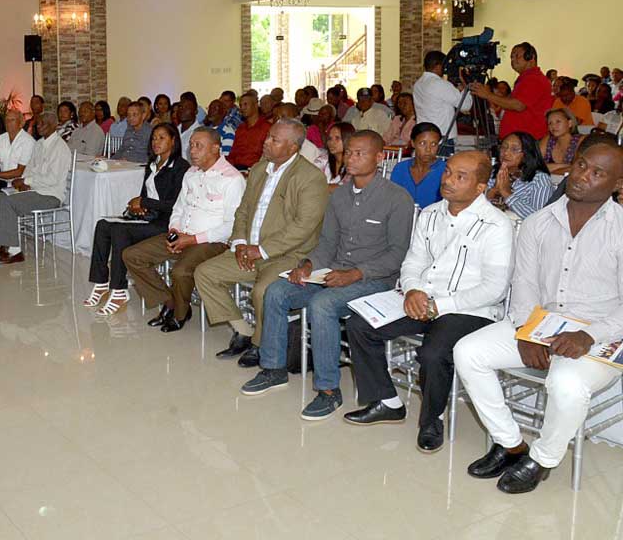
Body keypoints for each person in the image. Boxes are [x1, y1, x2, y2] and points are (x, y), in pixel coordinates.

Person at [454, 142, 623, 494]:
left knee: (567, 384)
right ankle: (510, 443)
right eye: (581, 165)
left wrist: (588, 336)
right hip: (542, 323)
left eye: (597, 173)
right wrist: (526, 331)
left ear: (617, 184)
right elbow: (525, 284)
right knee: (468, 352)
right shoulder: (538, 222)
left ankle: (542, 459)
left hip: (601, 332)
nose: (582, 176)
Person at [344, 151, 512, 452]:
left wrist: (438, 307)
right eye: (448, 172)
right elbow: (413, 262)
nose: (448, 180)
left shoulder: (497, 225)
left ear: (480, 187)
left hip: (469, 309)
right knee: (360, 324)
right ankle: (387, 401)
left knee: (434, 353)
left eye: (460, 176)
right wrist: (412, 290)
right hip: (423, 298)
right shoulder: (431, 213)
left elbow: (494, 289)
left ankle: (432, 419)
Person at [242, 131, 415, 420]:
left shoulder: (398, 198)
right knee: (276, 291)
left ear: (379, 157)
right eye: (348, 153)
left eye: (360, 153)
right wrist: (308, 266)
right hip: (333, 271)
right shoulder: (339, 195)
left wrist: (354, 274)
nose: (351, 158)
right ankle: (273, 369)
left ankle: (328, 390)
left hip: (374, 279)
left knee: (323, 304)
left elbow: (397, 255)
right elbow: (327, 244)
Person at [195, 118, 330, 368]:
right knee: (205, 273)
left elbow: (304, 227)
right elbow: (243, 211)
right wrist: (239, 243)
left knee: (263, 291)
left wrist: (261, 250)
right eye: (268, 136)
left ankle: (260, 344)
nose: (266, 142)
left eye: (274, 140)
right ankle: (243, 331)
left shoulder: (311, 177)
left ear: (293, 147)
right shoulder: (259, 169)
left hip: (288, 255)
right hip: (249, 250)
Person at [123, 128, 244, 332]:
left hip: (212, 242)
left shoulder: (232, 179)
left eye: (199, 146)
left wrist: (193, 239)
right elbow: (179, 208)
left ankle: (180, 314)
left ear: (215, 148)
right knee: (132, 255)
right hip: (181, 235)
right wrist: (175, 230)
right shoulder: (191, 173)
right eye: (191, 145)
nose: (192, 151)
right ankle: (171, 302)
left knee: (180, 271)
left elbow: (232, 226)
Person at [83, 123, 187, 316]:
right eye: (154, 138)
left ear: (173, 141)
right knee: (103, 225)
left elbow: (175, 204)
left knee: (119, 231)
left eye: (161, 138)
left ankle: (119, 290)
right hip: (149, 217)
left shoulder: (180, 168)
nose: (156, 142)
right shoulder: (152, 164)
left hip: (166, 223)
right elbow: (145, 194)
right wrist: (139, 207)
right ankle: (101, 283)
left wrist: (145, 202)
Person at [0, 112, 72, 265]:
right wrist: (24, 181)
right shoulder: (39, 144)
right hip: (34, 189)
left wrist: (26, 180)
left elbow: (52, 179)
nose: (39, 126)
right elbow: (29, 168)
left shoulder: (60, 147)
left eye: (43, 123)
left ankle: (15, 251)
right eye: (38, 123)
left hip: (50, 194)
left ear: (54, 125)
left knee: (8, 203)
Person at [469, 42, 553, 141]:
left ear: (531, 57)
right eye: (511, 57)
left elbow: (518, 105)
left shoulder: (534, 79)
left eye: (517, 56)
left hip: (526, 140)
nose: (513, 60)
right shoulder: (526, 78)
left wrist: (488, 95)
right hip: (520, 139)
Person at [414, 51, 474, 156]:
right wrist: (466, 87)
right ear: (438, 66)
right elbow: (465, 105)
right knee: (442, 166)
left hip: (424, 135)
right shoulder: (440, 84)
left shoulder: (418, 84)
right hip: (441, 138)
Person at [487, 132, 555, 219]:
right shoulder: (492, 172)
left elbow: (539, 218)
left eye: (514, 149)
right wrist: (494, 190)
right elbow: (475, 206)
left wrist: (506, 194)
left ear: (527, 154)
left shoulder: (540, 179)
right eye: (504, 147)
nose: (506, 153)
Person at [389, 122, 446, 209]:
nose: (428, 149)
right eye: (422, 143)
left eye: (433, 144)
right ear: (413, 143)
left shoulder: (446, 171)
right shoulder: (400, 168)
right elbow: (392, 199)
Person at [226, 91, 271, 170]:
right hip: (236, 168)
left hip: (255, 169)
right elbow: (233, 153)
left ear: (256, 105)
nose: (242, 108)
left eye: (245, 104)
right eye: (241, 105)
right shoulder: (240, 128)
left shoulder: (267, 128)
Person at [539, 107, 582, 176]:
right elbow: (535, 164)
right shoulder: (548, 139)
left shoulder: (580, 140)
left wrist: (547, 169)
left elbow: (579, 168)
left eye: (558, 121)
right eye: (550, 123)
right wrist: (566, 166)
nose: (553, 126)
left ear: (570, 123)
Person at [324, 122, 355, 187]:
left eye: (337, 138)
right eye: (330, 138)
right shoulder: (322, 160)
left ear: (348, 139)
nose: (331, 142)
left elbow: (345, 189)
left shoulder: (354, 165)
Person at [174, 91, 203, 160]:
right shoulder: (173, 130)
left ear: (196, 111)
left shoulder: (200, 133)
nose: (182, 110)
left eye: (187, 107)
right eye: (180, 107)